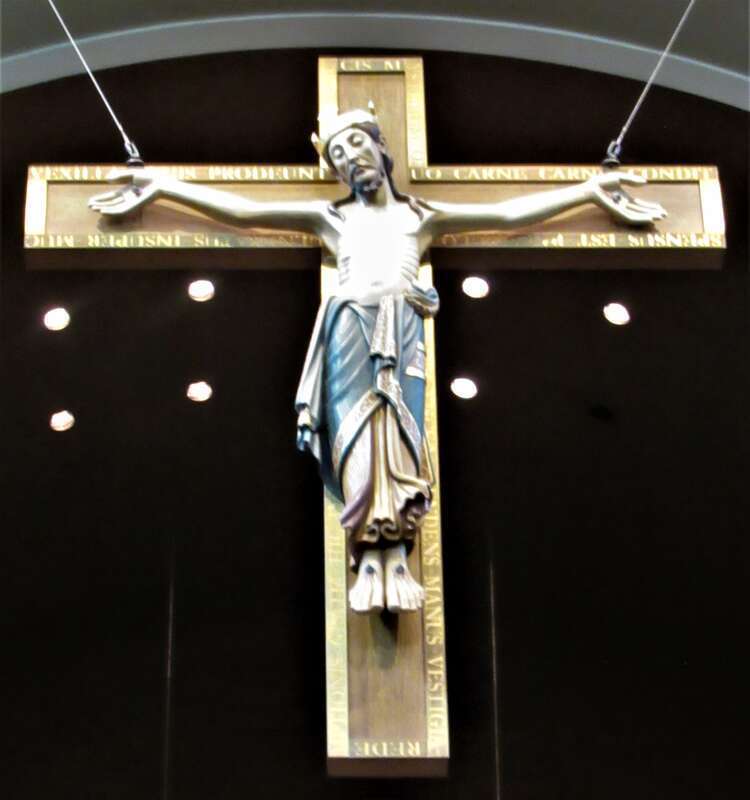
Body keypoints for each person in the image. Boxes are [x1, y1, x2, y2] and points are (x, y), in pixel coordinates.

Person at [89, 107, 666, 614]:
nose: (349, 160)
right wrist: (163, 186)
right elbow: (242, 212)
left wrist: (589, 193)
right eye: (338, 154)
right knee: (358, 440)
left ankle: (397, 553)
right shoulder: (331, 219)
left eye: (357, 145)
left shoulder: (422, 216)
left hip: (404, 335)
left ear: (381, 148)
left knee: (400, 435)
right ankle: (370, 553)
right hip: (347, 335)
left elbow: (511, 215)